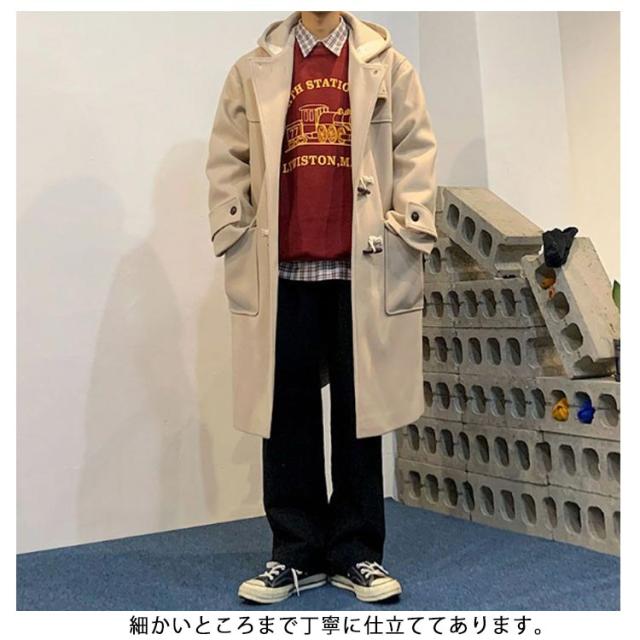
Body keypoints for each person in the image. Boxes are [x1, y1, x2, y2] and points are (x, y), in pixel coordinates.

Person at [205, 10, 437, 604]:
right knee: (286, 412)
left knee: (361, 411)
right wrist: (234, 227)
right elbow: (227, 159)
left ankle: (356, 550)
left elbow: (415, 149)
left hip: (363, 266)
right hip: (282, 267)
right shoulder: (252, 69)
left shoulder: (389, 66)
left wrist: (407, 224)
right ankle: (295, 551)